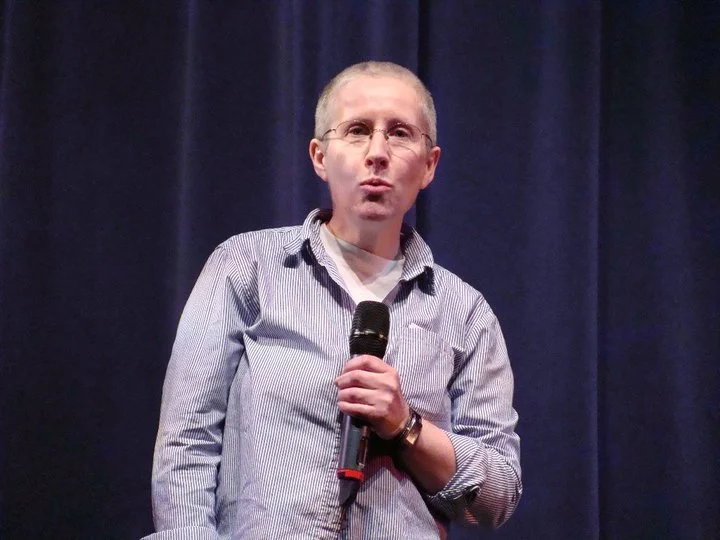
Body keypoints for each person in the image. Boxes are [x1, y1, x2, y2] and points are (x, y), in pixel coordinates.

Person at [143, 61, 521, 540]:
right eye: (357, 130)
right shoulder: (247, 266)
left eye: (400, 133)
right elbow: (187, 444)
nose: (378, 153)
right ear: (320, 156)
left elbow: (499, 494)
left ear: (429, 165)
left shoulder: (464, 312)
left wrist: (406, 426)